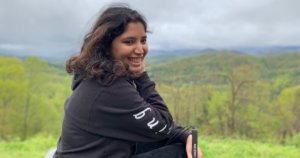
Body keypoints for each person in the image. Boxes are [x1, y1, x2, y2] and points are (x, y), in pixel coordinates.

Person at [54, 4, 202, 158]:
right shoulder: (109, 87)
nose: (140, 50)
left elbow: (149, 121)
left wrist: (185, 136)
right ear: (107, 45)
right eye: (129, 42)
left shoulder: (98, 76)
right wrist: (141, 76)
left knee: (179, 144)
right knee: (181, 153)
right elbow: (162, 125)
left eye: (143, 40)